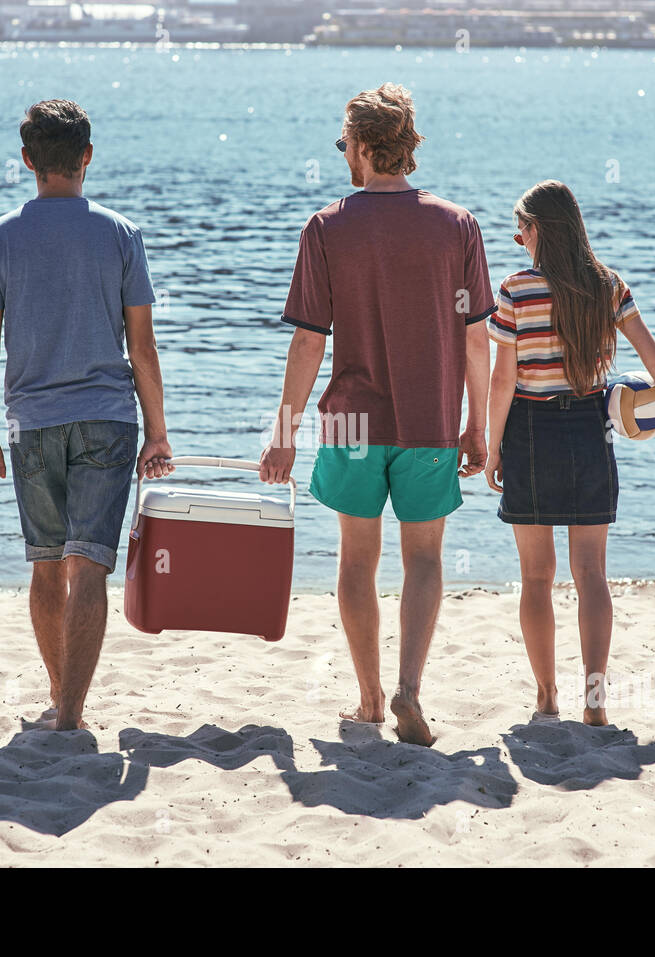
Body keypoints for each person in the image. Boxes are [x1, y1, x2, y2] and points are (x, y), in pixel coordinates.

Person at [259, 83, 493, 747]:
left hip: (354, 423)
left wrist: (284, 434)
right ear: (406, 145)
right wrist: (478, 424)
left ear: (362, 147)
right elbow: (478, 338)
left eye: (345, 144)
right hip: (430, 418)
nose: (343, 156)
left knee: (357, 558)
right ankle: (409, 688)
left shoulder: (328, 226)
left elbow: (309, 340)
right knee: (424, 557)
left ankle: (366, 696)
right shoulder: (457, 225)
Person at [0, 100, 172, 732]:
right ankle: (72, 714)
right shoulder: (120, 234)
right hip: (108, 419)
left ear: (27, 160)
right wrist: (159, 431)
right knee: (89, 565)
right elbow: (142, 345)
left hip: (30, 423)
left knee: (46, 562)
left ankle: (60, 697)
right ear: (87, 156)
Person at [485, 181, 655, 726]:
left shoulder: (515, 290)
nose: (517, 239)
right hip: (589, 426)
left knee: (536, 576)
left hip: (529, 430)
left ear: (539, 230)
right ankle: (595, 702)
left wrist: (491, 446)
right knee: (591, 575)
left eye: (521, 229)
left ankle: (547, 696)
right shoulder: (608, 286)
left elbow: (503, 378)